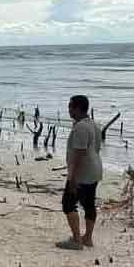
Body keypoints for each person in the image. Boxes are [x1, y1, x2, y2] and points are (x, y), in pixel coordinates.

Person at [57, 95, 103, 250]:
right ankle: (87, 238)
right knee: (89, 204)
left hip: (82, 174)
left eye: (70, 106)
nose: (68, 109)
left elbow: (79, 154)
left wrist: (72, 178)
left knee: (68, 204)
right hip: (94, 170)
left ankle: (77, 240)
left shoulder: (80, 127)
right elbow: (96, 148)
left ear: (77, 108)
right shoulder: (94, 125)